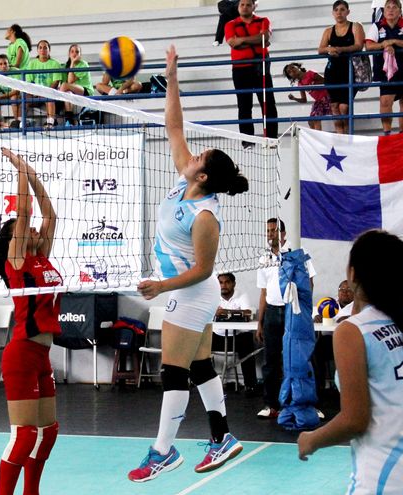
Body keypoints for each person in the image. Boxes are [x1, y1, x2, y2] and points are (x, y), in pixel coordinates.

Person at [128, 45, 249, 483]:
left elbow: (203, 269)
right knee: (199, 366)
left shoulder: (205, 217)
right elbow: (174, 126)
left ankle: (163, 452)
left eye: (199, 158)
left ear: (204, 176)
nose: (192, 155)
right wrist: (172, 76)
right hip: (188, 291)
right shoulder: (186, 181)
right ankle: (223, 438)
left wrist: (161, 287)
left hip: (192, 290)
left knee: (173, 371)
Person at [297, 230, 403, 495]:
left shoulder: (351, 332)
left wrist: (312, 439)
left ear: (352, 274)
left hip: (381, 484)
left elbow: (355, 420)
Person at [0, 148, 61, 495]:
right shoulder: (16, 261)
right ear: (15, 237)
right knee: (25, 435)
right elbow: (26, 210)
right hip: (21, 353)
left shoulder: (41, 257)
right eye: (24, 227)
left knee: (48, 433)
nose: (32, 227)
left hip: (42, 355)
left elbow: (49, 214)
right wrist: (20, 171)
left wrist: (33, 175)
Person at [256, 218, 316, 418]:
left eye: (274, 230)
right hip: (272, 312)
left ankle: (307, 404)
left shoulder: (298, 252)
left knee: (301, 357)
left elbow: (310, 283)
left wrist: (303, 310)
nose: (270, 234)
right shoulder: (264, 258)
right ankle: (271, 405)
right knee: (271, 360)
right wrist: (260, 322)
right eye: (268, 231)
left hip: (293, 310)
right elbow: (263, 292)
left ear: (283, 233)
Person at [365, 0, 403, 135]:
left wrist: (394, 42)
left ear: (400, 10)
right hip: (386, 70)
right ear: (384, 10)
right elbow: (369, 45)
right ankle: (387, 134)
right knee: (385, 101)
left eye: (394, 7)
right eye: (388, 7)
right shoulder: (376, 26)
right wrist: (384, 44)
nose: (391, 10)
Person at [225, 0, 278, 141]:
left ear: (254, 6)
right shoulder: (230, 24)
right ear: (238, 7)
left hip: (260, 67)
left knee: (268, 104)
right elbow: (233, 43)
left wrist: (242, 40)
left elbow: (264, 37)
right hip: (240, 69)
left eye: (248, 4)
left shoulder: (263, 20)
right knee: (244, 105)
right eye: (242, 5)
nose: (245, 7)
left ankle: (271, 139)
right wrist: (258, 41)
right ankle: (247, 141)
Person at [318, 0, 366, 134]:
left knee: (344, 107)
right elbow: (320, 49)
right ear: (333, 13)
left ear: (348, 12)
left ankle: (348, 134)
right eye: (336, 10)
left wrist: (341, 49)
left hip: (350, 70)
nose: (339, 13)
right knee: (334, 106)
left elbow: (359, 45)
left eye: (342, 9)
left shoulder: (356, 26)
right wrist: (330, 49)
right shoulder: (328, 31)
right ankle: (340, 136)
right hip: (332, 71)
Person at [212, 273, 259, 396]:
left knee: (247, 339)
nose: (223, 285)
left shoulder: (241, 294)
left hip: (237, 338)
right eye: (221, 282)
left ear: (233, 284)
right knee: (197, 342)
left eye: (227, 282)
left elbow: (248, 313)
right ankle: (198, 382)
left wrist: (225, 311)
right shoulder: (212, 295)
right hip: (218, 337)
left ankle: (250, 386)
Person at [24, 40, 63, 128]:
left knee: (49, 97)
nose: (42, 50)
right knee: (24, 98)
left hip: (49, 92)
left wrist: (44, 92)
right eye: (40, 48)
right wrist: (37, 92)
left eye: (45, 48)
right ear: (37, 50)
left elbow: (56, 82)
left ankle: (50, 122)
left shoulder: (55, 64)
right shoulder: (32, 63)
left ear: (49, 50)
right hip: (35, 92)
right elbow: (29, 82)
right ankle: (21, 122)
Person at [284, 63, 331, 131]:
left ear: (298, 67)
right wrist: (294, 98)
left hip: (327, 97)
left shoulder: (310, 73)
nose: (292, 70)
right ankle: (315, 135)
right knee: (311, 121)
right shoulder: (300, 84)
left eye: (292, 67)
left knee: (318, 117)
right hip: (319, 101)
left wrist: (313, 84)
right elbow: (304, 100)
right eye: (289, 72)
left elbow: (324, 80)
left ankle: (318, 135)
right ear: (291, 77)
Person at [58, 44, 95, 125]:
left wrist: (73, 62)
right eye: (72, 51)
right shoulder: (65, 66)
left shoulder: (83, 64)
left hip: (85, 90)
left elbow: (70, 81)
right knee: (68, 93)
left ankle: (58, 106)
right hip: (73, 91)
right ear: (69, 54)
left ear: (80, 54)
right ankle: (69, 120)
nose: (74, 53)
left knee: (64, 85)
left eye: (77, 52)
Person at [0, 54, 21, 127]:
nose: (3, 66)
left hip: (17, 95)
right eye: (0, 64)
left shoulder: (16, 72)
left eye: (5, 63)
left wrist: (1, 96)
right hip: (3, 95)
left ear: (8, 64)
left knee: (14, 98)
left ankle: (17, 122)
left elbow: (16, 91)